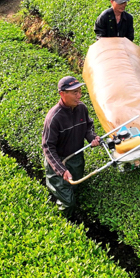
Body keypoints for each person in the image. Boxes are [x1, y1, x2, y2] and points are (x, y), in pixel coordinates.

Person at [42, 75, 101, 212]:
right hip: (59, 162)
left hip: (76, 159)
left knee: (74, 188)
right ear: (63, 94)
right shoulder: (54, 118)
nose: (79, 95)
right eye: (75, 92)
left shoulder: (81, 108)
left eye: (80, 91)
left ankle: (60, 198)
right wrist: (62, 171)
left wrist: (92, 137)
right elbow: (48, 148)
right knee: (68, 202)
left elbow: (88, 126)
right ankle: (60, 218)